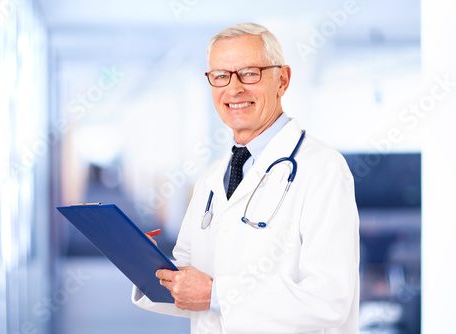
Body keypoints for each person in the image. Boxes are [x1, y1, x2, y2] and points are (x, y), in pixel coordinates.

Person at [132, 22, 360, 334]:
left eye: (250, 73)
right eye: (221, 76)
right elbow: (189, 283)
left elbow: (330, 300)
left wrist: (217, 294)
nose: (234, 88)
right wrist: (142, 265)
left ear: (282, 80)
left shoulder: (323, 169)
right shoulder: (212, 178)